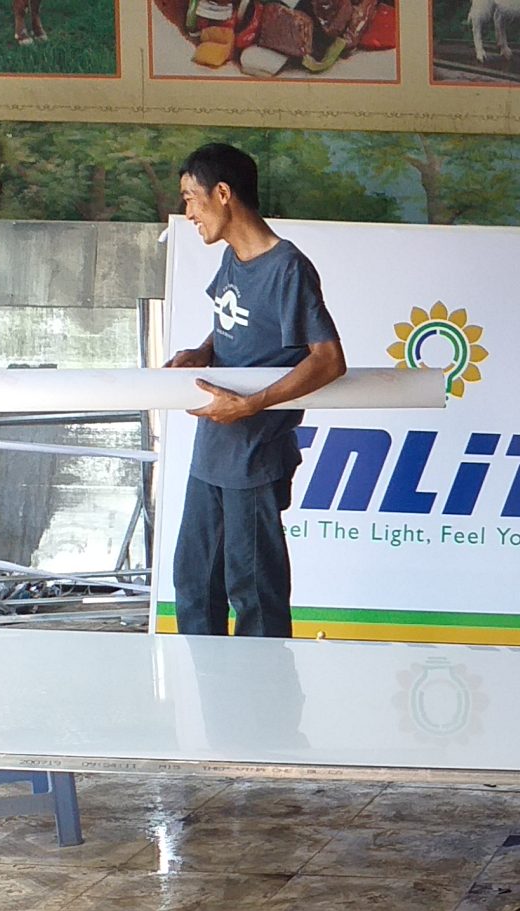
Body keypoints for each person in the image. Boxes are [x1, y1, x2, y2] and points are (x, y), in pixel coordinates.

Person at [164, 142, 347, 639]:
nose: (188, 212)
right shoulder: (233, 258)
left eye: (191, 198)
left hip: (254, 455)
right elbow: (233, 323)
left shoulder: (287, 267)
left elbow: (328, 359)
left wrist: (252, 404)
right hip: (212, 453)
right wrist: (202, 351)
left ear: (222, 194)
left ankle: (264, 691)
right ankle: (203, 688)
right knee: (194, 584)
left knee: (254, 595)